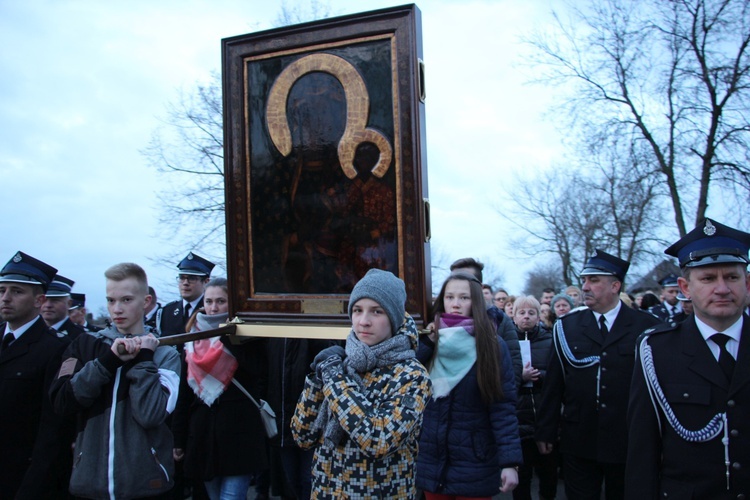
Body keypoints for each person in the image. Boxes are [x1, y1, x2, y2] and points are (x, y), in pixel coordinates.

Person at [626, 219, 750, 498]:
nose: (721, 289)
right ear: (685, 288)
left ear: (748, 283)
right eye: (707, 278)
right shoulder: (656, 350)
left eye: (731, 277)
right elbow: (643, 450)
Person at [291, 269, 432, 498]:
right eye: (357, 310)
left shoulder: (412, 376)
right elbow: (302, 436)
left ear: (394, 317)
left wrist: (334, 379)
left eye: (376, 312)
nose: (363, 321)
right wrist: (316, 383)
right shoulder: (343, 364)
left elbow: (378, 441)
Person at [535, 249, 660, 500]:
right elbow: (555, 383)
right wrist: (546, 430)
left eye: (594, 280)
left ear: (615, 286)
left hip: (626, 439)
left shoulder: (645, 325)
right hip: (579, 438)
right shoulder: (567, 326)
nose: (585, 287)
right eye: (584, 280)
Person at [50, 262, 181, 499]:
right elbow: (63, 403)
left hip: (146, 486)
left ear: (146, 301)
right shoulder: (83, 345)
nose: (117, 309)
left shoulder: (166, 354)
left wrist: (144, 360)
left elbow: (150, 414)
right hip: (89, 485)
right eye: (111, 300)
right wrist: (107, 361)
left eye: (127, 300)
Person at [417, 272, 521, 498]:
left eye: (464, 298)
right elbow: (409, 379)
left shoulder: (492, 344)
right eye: (449, 297)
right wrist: (427, 343)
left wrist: (510, 462)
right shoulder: (429, 337)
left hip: (476, 459)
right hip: (432, 459)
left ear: (476, 301)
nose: (455, 304)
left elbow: (503, 407)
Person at [172, 277, 269, 500]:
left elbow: (259, 370)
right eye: (209, 301)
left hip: (238, 435)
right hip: (203, 435)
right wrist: (178, 438)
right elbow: (184, 393)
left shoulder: (247, 333)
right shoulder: (192, 338)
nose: (213, 307)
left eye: (221, 301)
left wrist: (228, 336)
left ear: (232, 303)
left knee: (232, 496)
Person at [0, 251, 69, 498]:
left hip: (18, 475)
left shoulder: (55, 348)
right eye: (2, 290)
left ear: (39, 300)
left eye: (17, 291)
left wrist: (32, 488)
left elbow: (52, 430)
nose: (6, 298)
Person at [449, 258, 523, 386]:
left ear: (480, 287)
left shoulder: (500, 320)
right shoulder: (438, 320)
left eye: (465, 281)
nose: (458, 285)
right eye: (454, 280)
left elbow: (514, 365)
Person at [512, 295, 557, 500]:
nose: (526, 317)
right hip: (518, 419)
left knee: (548, 474)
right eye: (522, 313)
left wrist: (539, 376)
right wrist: (520, 377)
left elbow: (558, 375)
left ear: (539, 317)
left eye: (531, 313)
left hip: (544, 417)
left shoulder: (549, 340)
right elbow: (499, 376)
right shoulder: (506, 342)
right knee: (522, 476)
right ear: (513, 317)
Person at [159, 252, 215, 337]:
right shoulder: (167, 311)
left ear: (206, 282)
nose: (185, 283)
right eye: (182, 278)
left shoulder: (212, 310)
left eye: (192, 278)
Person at [41, 274, 85, 340]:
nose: (48, 305)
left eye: (55, 300)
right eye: (44, 300)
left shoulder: (81, 336)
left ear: (69, 303)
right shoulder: (31, 333)